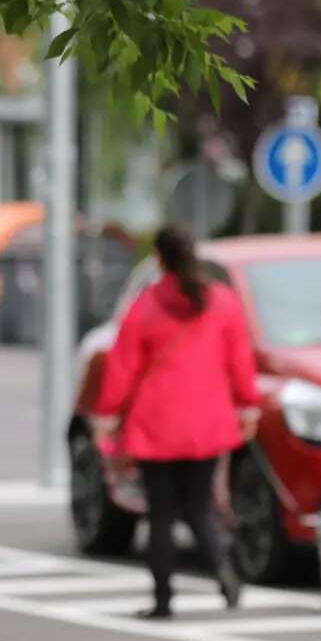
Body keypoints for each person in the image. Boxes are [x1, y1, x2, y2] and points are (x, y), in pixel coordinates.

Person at [90, 226, 258, 619]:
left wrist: (106, 414)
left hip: (156, 424)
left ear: (160, 260)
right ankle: (223, 568)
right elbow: (240, 360)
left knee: (162, 515)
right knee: (200, 508)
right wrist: (247, 406)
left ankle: (163, 599)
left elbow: (122, 366)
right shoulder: (223, 303)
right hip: (207, 421)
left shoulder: (146, 305)